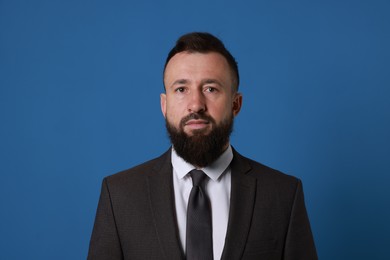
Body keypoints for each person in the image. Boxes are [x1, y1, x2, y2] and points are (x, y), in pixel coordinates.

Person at [88, 32, 317, 260]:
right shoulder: (119, 196)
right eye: (181, 89)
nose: (196, 104)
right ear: (164, 105)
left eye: (211, 88)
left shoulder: (283, 196)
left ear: (235, 104)